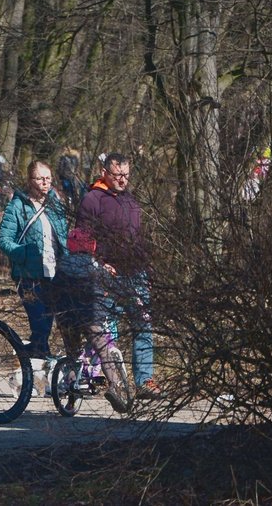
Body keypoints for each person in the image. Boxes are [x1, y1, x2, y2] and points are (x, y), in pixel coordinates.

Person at [76, 152, 162, 399]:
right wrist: (99, 264)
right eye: (118, 175)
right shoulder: (92, 199)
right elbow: (81, 239)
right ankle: (91, 375)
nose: (123, 179)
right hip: (107, 274)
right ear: (105, 172)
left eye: (126, 174)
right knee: (101, 329)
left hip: (136, 273)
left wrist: (147, 266)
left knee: (142, 323)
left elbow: (138, 236)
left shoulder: (131, 201)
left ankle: (144, 380)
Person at [50, 228, 129, 413]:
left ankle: (71, 397)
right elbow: (109, 290)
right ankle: (113, 386)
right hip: (90, 317)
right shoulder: (95, 267)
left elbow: (53, 291)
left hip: (66, 318)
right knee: (102, 350)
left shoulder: (62, 266)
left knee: (72, 355)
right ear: (92, 246)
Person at [0, 160, 68, 360]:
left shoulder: (56, 204)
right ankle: (32, 367)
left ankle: (33, 365)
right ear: (30, 180)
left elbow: (63, 237)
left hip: (55, 273)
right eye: (40, 178)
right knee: (40, 325)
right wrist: (26, 253)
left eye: (48, 178)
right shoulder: (18, 205)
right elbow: (3, 240)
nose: (45, 183)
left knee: (48, 327)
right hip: (29, 276)